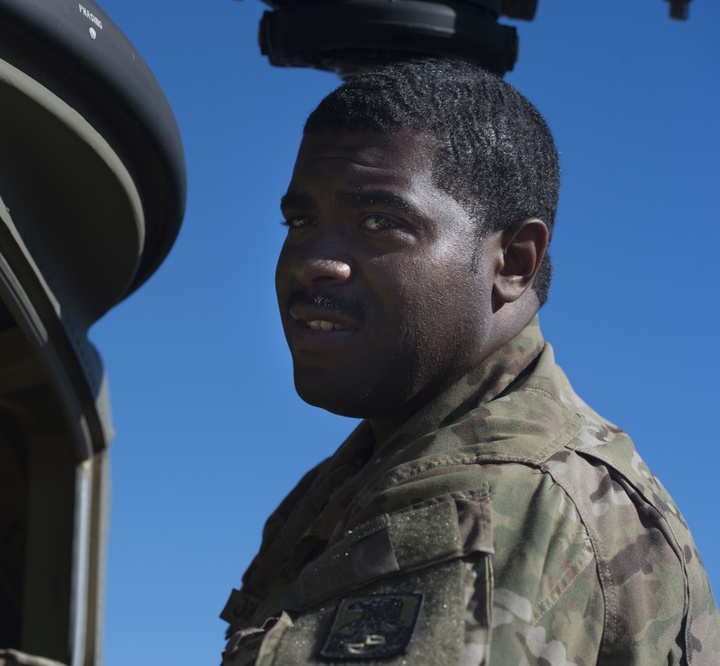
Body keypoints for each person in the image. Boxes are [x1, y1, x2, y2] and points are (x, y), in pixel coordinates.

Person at [219, 58, 720, 665]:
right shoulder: (370, 472)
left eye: (380, 222)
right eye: (300, 221)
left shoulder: (489, 498)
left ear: (512, 262)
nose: (311, 260)